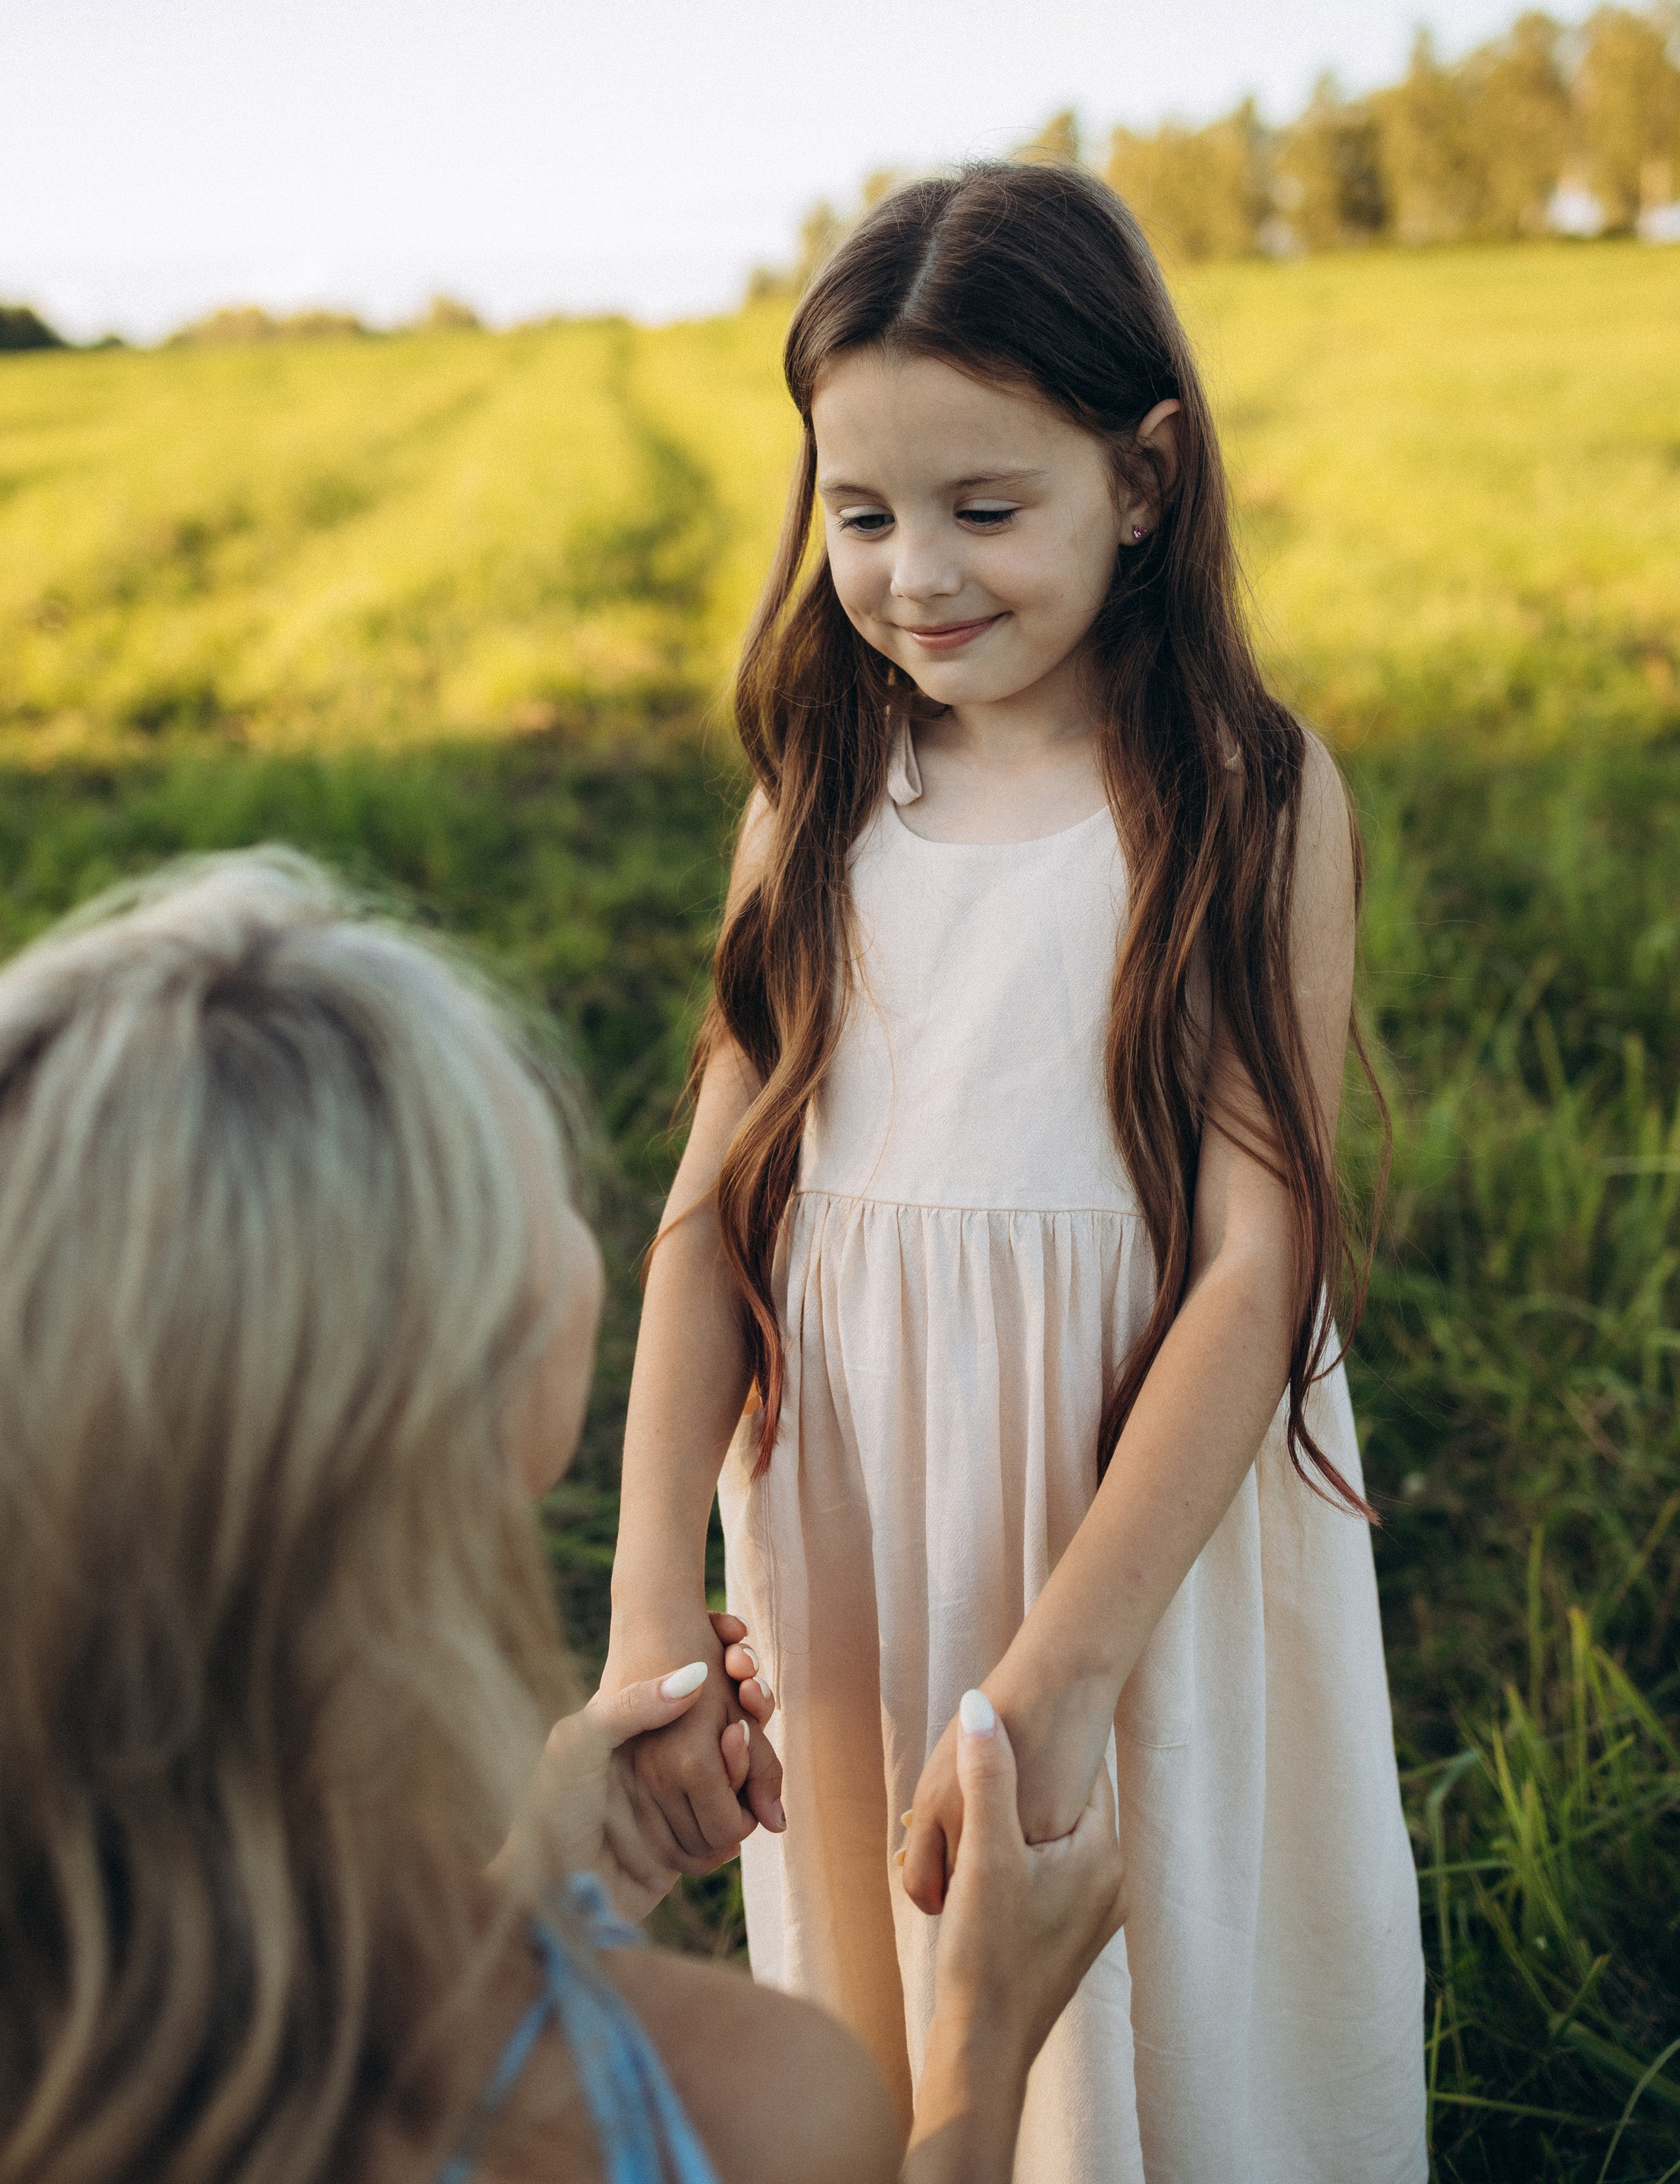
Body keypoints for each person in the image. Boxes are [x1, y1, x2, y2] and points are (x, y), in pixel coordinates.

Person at [605, 163, 1429, 2181]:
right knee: (892, 2012)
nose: (915, 577)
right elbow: (708, 1229)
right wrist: (645, 1627)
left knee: (1173, 2032)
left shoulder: (1243, 799)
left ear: (1141, 481)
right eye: (862, 515)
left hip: (1125, 1542)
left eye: (985, 510)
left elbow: (1256, 1268)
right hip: (856, 1529)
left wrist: (1065, 1667)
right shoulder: (813, 798)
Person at [0, 850, 1124, 2184]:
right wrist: (982, 2038)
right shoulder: (741, 2108)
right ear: (470, 1398)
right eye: (539, 1199)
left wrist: (527, 1888)